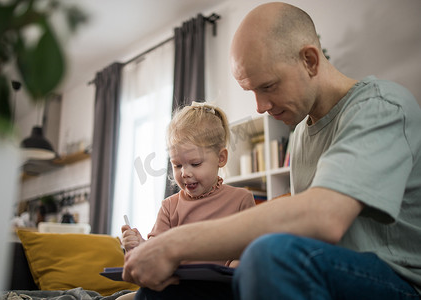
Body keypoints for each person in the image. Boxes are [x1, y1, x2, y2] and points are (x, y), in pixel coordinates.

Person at [122, 2, 421, 300]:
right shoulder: (302, 133)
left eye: (268, 86)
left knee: (268, 255)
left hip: (398, 281)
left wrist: (176, 244)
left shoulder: (381, 107)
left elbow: (323, 217)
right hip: (328, 272)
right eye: (251, 91)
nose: (260, 107)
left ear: (310, 61)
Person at [119, 101, 256, 299]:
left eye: (195, 163)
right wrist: (138, 247)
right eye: (177, 165)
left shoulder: (241, 199)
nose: (185, 173)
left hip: (220, 290)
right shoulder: (169, 206)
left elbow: (247, 253)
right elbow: (157, 251)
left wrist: (235, 271)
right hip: (175, 288)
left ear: (221, 158)